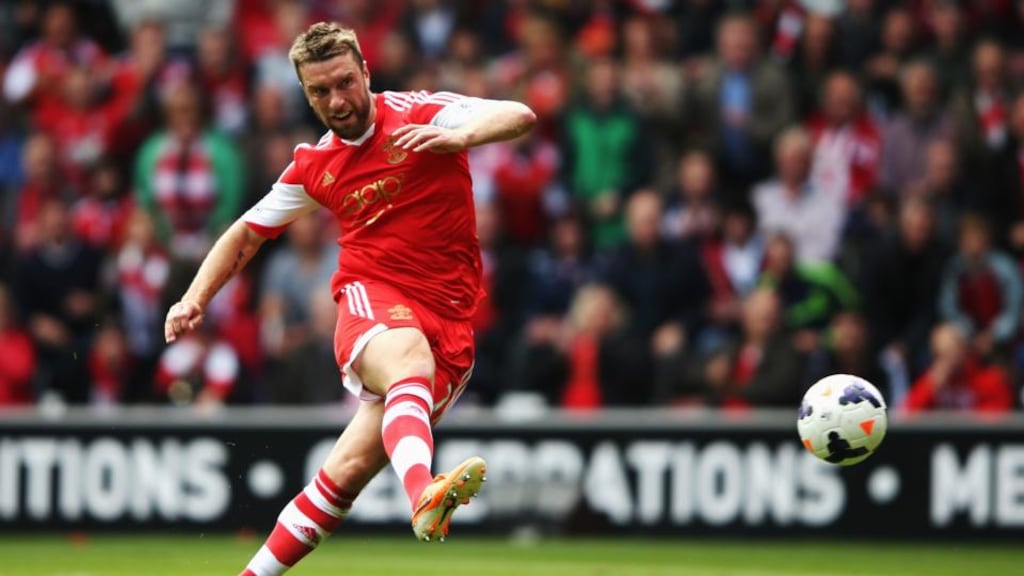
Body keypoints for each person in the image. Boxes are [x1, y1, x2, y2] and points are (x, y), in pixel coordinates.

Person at [162, 22, 536, 575]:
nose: (337, 100)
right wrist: (193, 297)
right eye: (319, 91)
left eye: (344, 82)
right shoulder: (315, 166)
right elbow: (244, 233)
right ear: (305, 94)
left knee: (346, 472)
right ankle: (423, 494)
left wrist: (463, 136)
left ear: (366, 70)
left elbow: (519, 115)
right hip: (373, 298)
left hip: (452, 319)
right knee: (407, 357)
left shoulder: (420, 113)